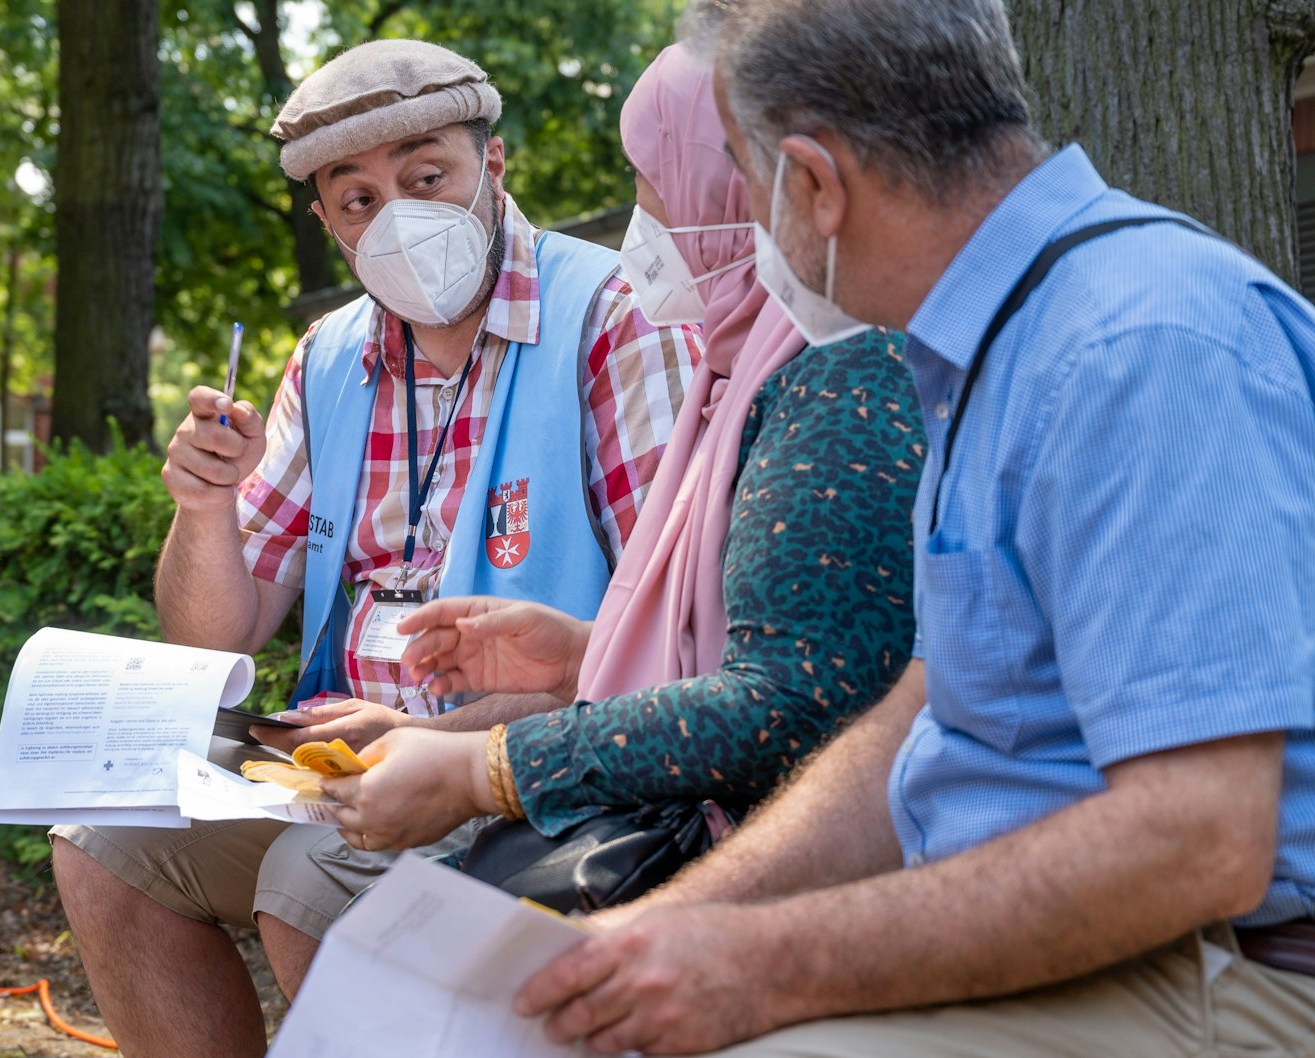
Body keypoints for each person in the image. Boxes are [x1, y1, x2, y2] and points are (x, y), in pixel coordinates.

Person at [507, 1, 1315, 1056]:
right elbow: (917, 729)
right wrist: (659, 926)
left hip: (1257, 982)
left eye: (743, 183)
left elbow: (1195, 840)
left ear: (813, 183)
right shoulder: (1001, 352)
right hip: (1122, 967)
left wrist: (757, 959)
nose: (745, 226)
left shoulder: (1136, 339)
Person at [47, 39, 699, 1058]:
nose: (395, 218)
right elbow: (213, 634)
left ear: (492, 163)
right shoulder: (327, 358)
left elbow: (675, 638)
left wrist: (429, 735)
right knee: (104, 842)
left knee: (308, 878)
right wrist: (203, 506)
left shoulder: (617, 319)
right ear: (326, 222)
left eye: (425, 177)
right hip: (336, 763)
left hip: (530, 761)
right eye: (357, 200)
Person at [317, 38, 918, 920]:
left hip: (796, 874)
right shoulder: (746, 365)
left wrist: (489, 768)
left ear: (738, 190)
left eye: (651, 184)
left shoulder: (841, 377)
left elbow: (785, 706)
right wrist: (582, 658)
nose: (639, 226)